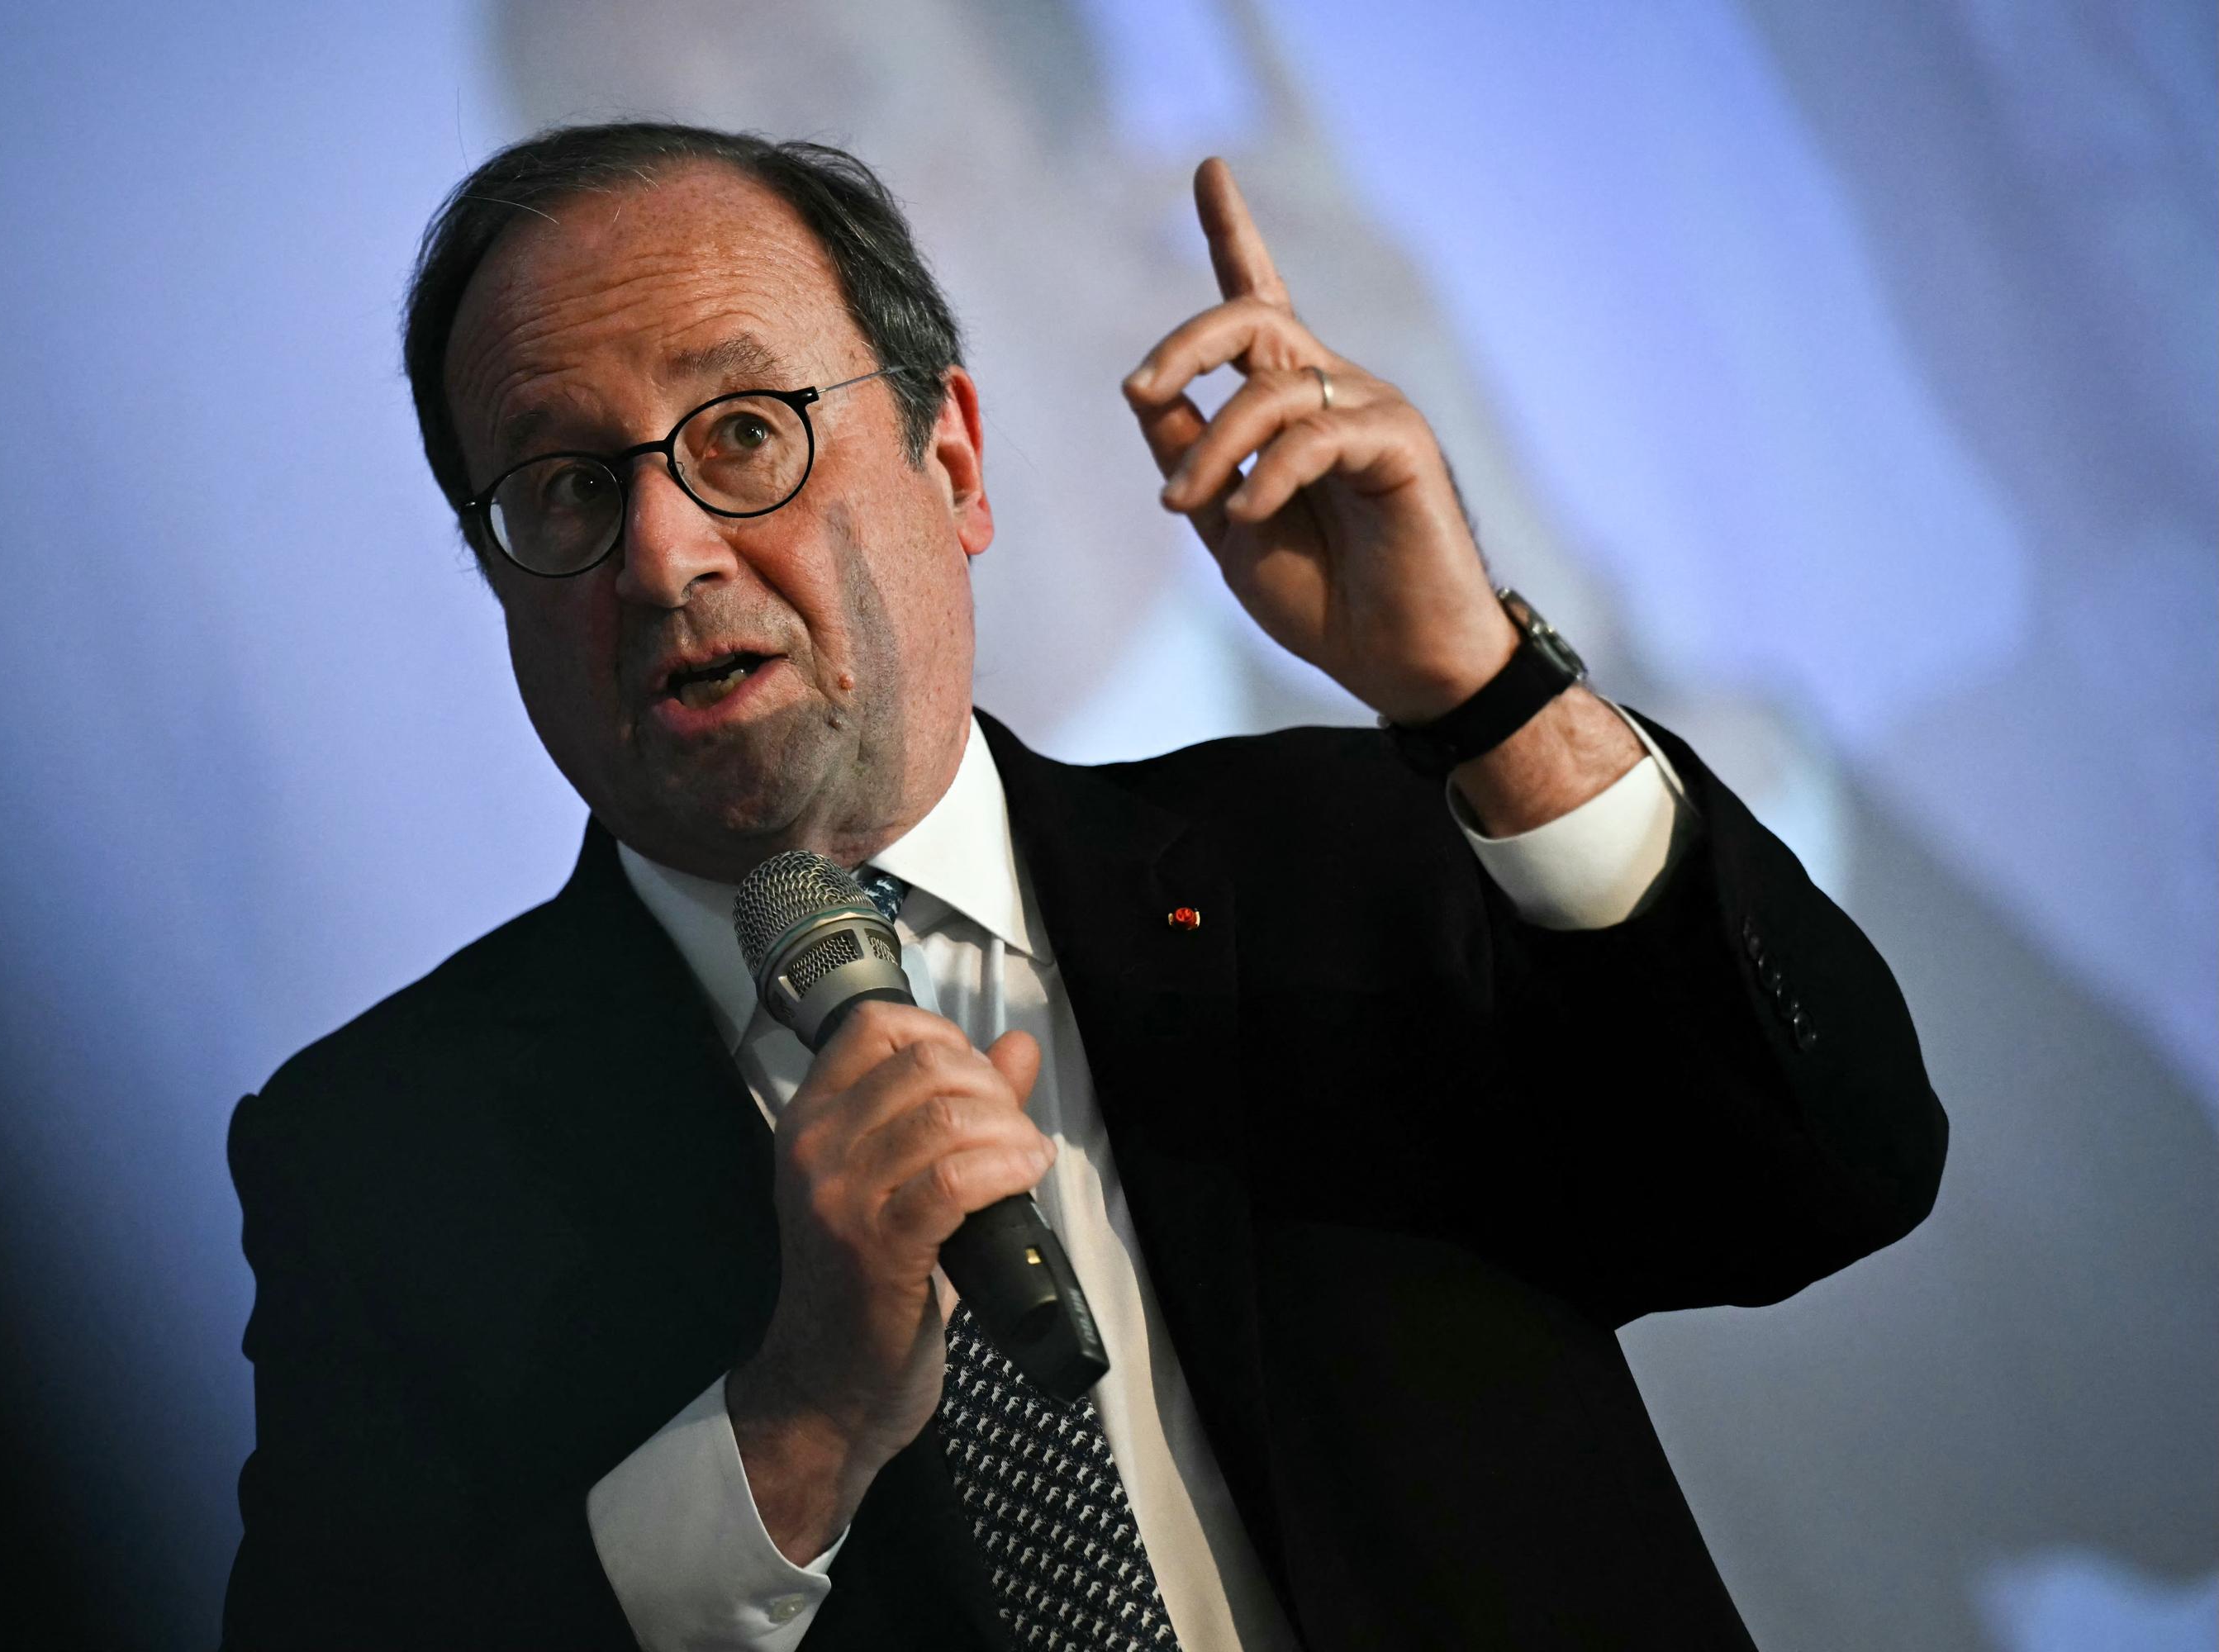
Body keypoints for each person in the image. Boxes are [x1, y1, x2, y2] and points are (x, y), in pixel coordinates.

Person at [221, 122, 1946, 1651]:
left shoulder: (1340, 858)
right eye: (566, 488)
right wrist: (790, 1430)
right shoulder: (382, 1162)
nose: (666, 553)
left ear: (955, 465)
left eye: (743, 431)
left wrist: (1487, 694)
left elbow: (1830, 1172)